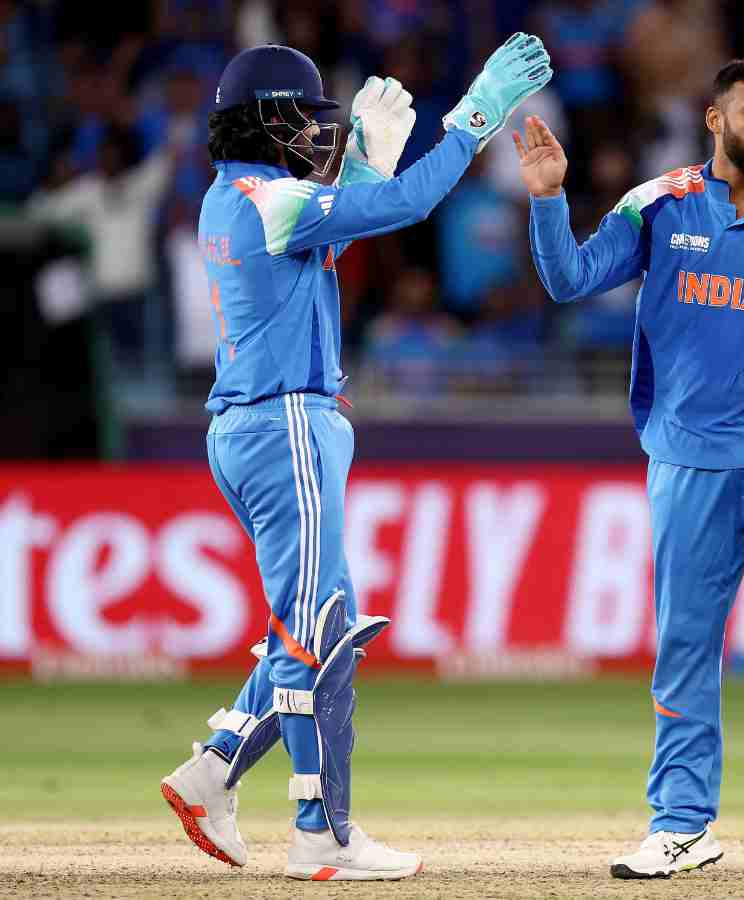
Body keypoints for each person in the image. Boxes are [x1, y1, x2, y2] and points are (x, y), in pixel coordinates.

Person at [159, 38, 552, 881]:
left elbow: (327, 241)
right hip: (286, 426)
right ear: (265, 118)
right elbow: (405, 205)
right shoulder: (272, 198)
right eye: (301, 116)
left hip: (254, 427)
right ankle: (322, 834)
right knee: (313, 636)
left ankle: (216, 770)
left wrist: (365, 165)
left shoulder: (233, 198)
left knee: (316, 625)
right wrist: (475, 115)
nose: (313, 130)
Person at [516, 57, 744, 880]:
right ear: (716, 120)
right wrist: (547, 198)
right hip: (687, 458)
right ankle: (683, 824)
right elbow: (569, 279)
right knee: (686, 643)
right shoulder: (658, 206)